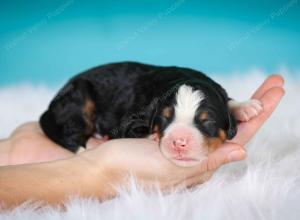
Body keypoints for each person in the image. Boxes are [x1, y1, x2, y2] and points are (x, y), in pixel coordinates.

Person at [0, 75, 285, 209]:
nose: (180, 140)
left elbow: (213, 101)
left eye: (205, 122)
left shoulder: (212, 96)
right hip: (83, 96)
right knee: (76, 109)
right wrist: (92, 162)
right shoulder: (147, 110)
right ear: (155, 120)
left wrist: (233, 105)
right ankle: (78, 141)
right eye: (167, 121)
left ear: (228, 125)